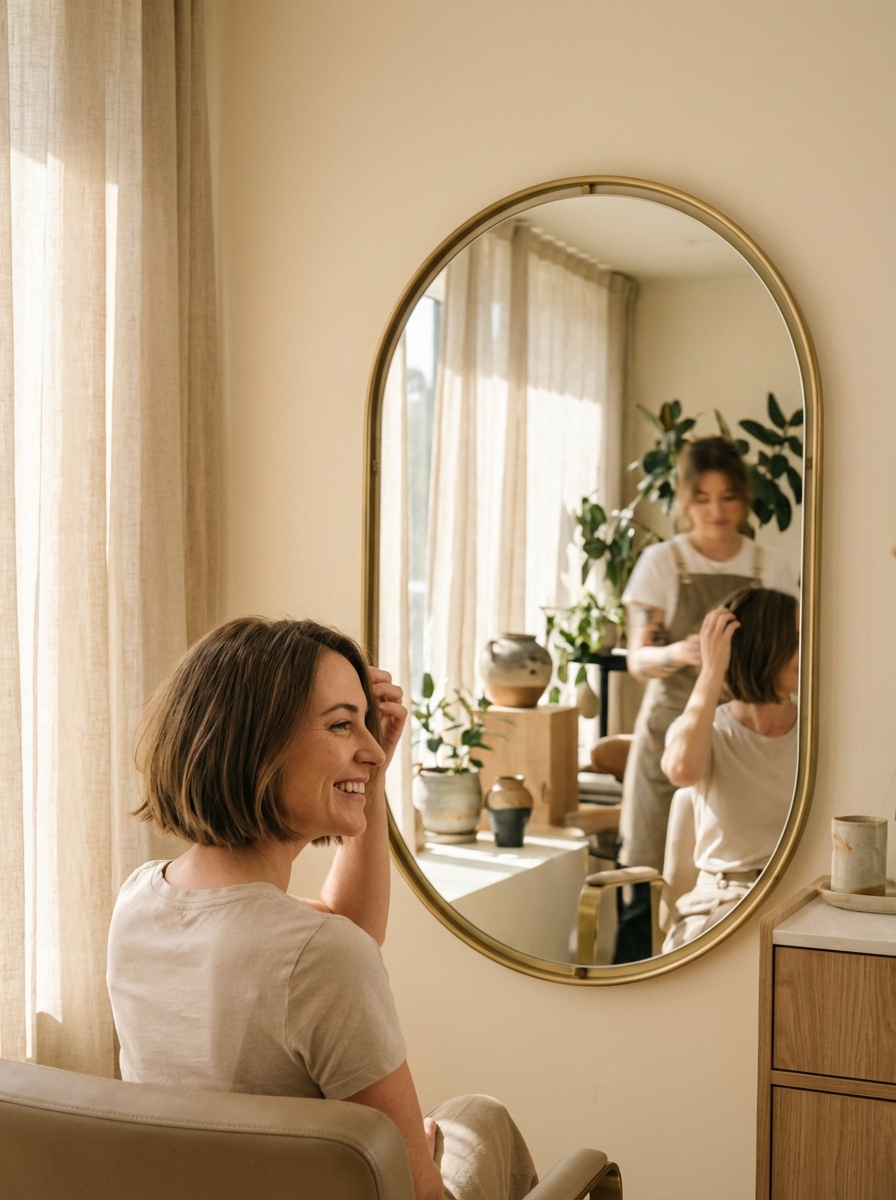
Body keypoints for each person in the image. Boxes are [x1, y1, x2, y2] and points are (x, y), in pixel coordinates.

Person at [106, 617, 538, 1200]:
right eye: (341, 725)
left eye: (367, 726)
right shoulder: (320, 957)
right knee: (479, 1119)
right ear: (257, 742)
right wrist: (420, 1157)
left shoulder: (139, 901)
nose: (371, 750)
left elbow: (346, 930)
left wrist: (368, 779)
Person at [614, 436, 797, 963]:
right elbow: (636, 658)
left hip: (755, 724)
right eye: (702, 498)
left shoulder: (771, 566)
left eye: (728, 497)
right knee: (648, 871)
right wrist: (685, 653)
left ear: (744, 499)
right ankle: (637, 975)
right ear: (684, 500)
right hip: (677, 724)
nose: (716, 511)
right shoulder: (661, 562)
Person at [659, 588, 799, 950]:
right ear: (764, 645)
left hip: (796, 901)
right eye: (795, 639)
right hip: (718, 901)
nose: (807, 650)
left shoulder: (817, 735)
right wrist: (712, 670)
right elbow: (681, 771)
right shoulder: (710, 729)